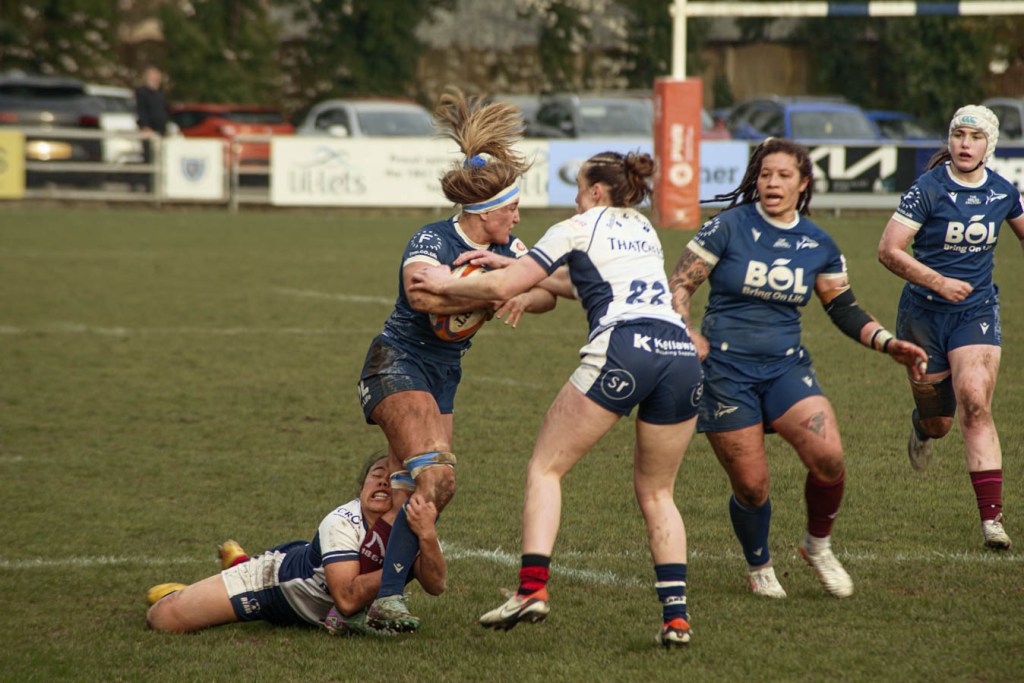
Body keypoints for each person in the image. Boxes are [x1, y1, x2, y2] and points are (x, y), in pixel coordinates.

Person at [411, 150, 705, 648]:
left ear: (594, 192)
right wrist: (511, 262)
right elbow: (582, 284)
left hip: (624, 349)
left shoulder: (576, 226)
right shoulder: (644, 230)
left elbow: (507, 286)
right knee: (658, 493)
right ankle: (676, 618)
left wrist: (445, 280)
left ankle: (531, 590)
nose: (574, 198)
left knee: (545, 468)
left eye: (579, 188)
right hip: (679, 354)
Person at [667, 137, 929, 600]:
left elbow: (843, 307)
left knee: (829, 457)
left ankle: (817, 545)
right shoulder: (726, 227)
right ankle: (760, 565)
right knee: (752, 485)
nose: (772, 182)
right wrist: (685, 328)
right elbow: (680, 284)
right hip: (726, 373)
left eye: (784, 175)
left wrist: (889, 344)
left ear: (802, 183)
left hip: (786, 369)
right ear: (755, 180)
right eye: (765, 174)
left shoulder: (818, 243)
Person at [358, 87, 555, 633]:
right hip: (396, 363)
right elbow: (420, 294)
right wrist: (490, 289)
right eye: (511, 208)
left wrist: (511, 289)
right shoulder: (434, 238)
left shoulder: (505, 251)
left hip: (443, 374)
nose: (518, 216)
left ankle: (365, 586)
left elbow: (545, 292)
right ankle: (383, 593)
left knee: (419, 485)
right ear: (487, 213)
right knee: (436, 478)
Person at [878, 105, 1024, 550]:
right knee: (939, 422)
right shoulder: (928, 188)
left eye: (974, 137)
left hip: (975, 312)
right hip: (922, 316)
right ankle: (922, 430)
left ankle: (992, 521)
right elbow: (889, 250)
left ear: (988, 146)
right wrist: (938, 281)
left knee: (975, 404)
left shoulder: (1003, 192)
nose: (964, 144)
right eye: (958, 135)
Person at [144, 453, 446, 633]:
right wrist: (404, 562)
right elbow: (346, 600)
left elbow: (435, 585)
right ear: (360, 488)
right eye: (375, 475)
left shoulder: (414, 522)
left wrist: (427, 537)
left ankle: (237, 563)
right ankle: (217, 577)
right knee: (164, 618)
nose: (382, 482)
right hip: (274, 585)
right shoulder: (341, 521)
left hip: (318, 604)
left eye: (391, 479)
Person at [135, 66, 170, 137]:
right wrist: (145, 126)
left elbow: (165, 109)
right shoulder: (142, 92)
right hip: (148, 129)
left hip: (161, 128)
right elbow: (141, 110)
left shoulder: (161, 93)